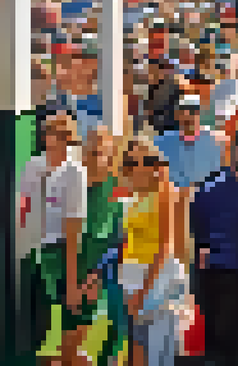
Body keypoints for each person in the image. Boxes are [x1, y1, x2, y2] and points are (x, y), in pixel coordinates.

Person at [190, 117, 238, 366]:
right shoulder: (207, 190)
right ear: (230, 148)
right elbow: (198, 236)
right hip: (222, 279)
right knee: (224, 351)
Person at [18, 112, 91, 366]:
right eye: (51, 131)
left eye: (63, 134)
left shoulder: (75, 172)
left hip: (59, 256)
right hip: (31, 256)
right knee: (39, 340)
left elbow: (73, 230)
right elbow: (22, 209)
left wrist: (71, 284)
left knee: (59, 340)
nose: (55, 138)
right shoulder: (32, 166)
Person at [119, 136, 192, 366]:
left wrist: (143, 292)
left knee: (159, 355)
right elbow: (128, 242)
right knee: (138, 349)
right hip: (132, 278)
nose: (139, 166)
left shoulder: (165, 191)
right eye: (133, 161)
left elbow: (165, 245)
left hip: (157, 280)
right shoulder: (131, 195)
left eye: (146, 160)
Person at [80, 127, 126, 366]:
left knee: (112, 348)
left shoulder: (119, 189)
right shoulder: (74, 187)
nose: (97, 152)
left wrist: (97, 273)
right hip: (75, 279)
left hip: (110, 281)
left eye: (102, 147)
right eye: (92, 147)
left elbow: (122, 240)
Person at [156, 94, 224, 190]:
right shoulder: (163, 141)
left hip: (203, 195)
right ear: (177, 115)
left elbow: (216, 176)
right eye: (184, 110)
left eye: (193, 111)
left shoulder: (212, 141)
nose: (188, 115)